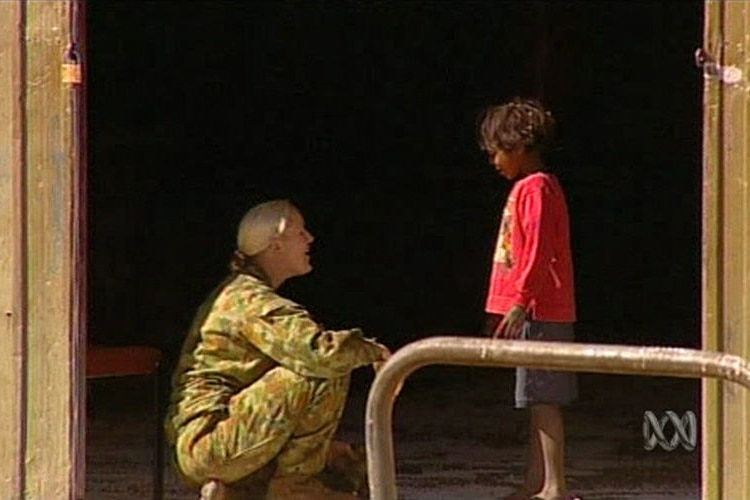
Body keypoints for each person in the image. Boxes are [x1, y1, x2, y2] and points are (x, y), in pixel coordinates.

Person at [165, 199, 390, 500]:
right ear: (276, 245)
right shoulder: (249, 300)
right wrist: (374, 352)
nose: (310, 239)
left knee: (348, 459)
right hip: (209, 443)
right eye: (300, 232)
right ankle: (295, 485)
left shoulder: (238, 292)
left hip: (206, 443)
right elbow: (320, 353)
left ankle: (241, 489)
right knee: (323, 370)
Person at [478, 98, 581, 500]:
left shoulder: (537, 188)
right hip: (527, 310)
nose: (494, 161)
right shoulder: (525, 189)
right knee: (534, 399)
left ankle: (553, 486)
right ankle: (534, 484)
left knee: (544, 399)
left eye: (497, 151)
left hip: (541, 311)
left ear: (518, 146)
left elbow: (537, 251)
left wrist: (521, 301)